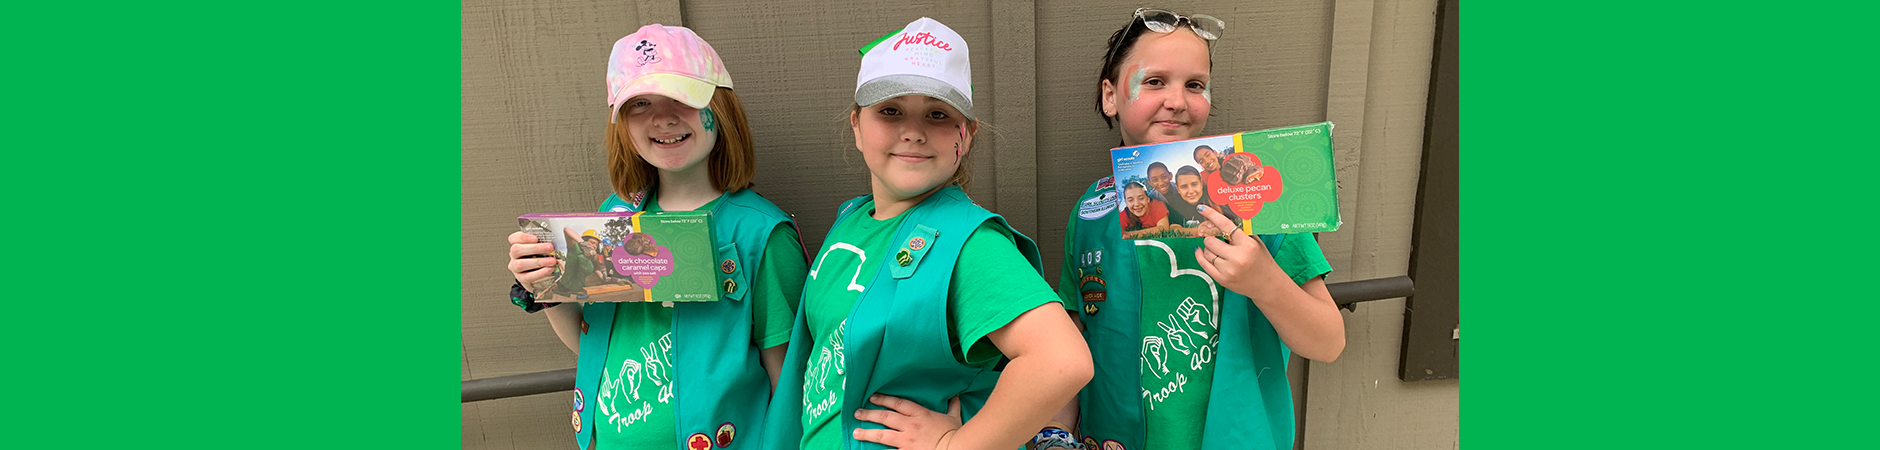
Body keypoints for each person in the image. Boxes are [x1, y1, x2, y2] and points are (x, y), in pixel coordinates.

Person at [763, 17, 1093, 450]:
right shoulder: (853, 219)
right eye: (890, 110)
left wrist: (953, 445)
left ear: (967, 135)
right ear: (857, 127)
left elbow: (1061, 361)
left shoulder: (970, 243)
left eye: (938, 114)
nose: (913, 131)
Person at [1053, 8, 1347, 450]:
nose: (1177, 100)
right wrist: (1054, 436)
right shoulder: (1090, 212)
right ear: (1111, 96)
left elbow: (1328, 342)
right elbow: (1072, 341)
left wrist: (1264, 281)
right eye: (1154, 81)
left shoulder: (1256, 199)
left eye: (1195, 84)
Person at [504, 24, 808, 450]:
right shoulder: (615, 215)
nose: (663, 118)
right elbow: (596, 345)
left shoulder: (760, 233)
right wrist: (548, 288)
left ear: (719, 107)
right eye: (639, 103)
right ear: (621, 123)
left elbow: (789, 380)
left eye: (682, 98)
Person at [1174, 165, 1240, 233]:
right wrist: (1200, 231)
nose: (1191, 191)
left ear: (1201, 183)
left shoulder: (1214, 196)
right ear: (1178, 189)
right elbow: (1174, 228)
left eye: (1194, 184)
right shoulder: (1176, 202)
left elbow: (1235, 220)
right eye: (1184, 187)